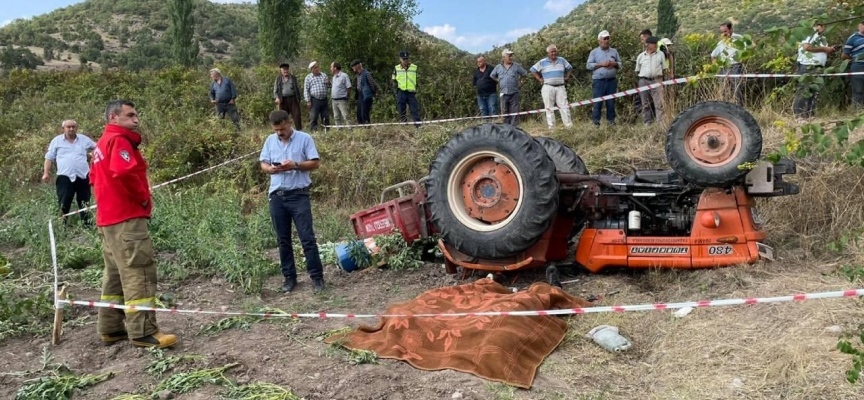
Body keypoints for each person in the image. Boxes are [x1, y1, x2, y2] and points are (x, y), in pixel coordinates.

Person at [90, 100, 177, 349]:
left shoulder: (101, 143)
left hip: (108, 219)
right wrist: (142, 198)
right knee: (139, 272)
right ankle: (143, 331)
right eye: (130, 115)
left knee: (115, 275)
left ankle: (110, 328)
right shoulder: (119, 141)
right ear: (113, 118)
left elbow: (94, 178)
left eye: (136, 114)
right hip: (126, 218)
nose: (136, 119)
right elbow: (125, 173)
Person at [259, 110, 325, 293]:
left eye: (282, 128)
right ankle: (289, 278)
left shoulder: (305, 138)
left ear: (289, 123)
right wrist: (269, 169)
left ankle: (317, 278)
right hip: (277, 196)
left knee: (307, 238)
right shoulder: (270, 141)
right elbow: (263, 163)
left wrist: (295, 165)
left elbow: (315, 163)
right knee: (283, 240)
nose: (279, 132)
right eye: (276, 130)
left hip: (299, 195)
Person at [43, 119, 96, 226]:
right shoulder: (56, 141)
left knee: (84, 202)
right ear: (63, 129)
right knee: (64, 203)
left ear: (76, 128)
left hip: (83, 176)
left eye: (73, 126)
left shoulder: (83, 139)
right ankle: (62, 227)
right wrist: (46, 173)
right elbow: (49, 158)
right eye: (68, 127)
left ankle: (87, 226)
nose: (71, 129)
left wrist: (91, 155)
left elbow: (99, 147)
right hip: (65, 177)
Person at [794, 22, 835, 121]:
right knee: (804, 89)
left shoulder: (823, 39)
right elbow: (807, 47)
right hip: (807, 65)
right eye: (820, 25)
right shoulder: (808, 34)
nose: (822, 28)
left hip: (818, 66)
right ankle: (798, 114)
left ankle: (810, 114)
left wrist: (829, 50)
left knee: (814, 90)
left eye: (823, 26)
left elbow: (821, 51)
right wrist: (824, 49)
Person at [531, 44, 574, 129]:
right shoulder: (542, 62)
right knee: (549, 108)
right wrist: (539, 79)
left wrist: (567, 76)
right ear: (548, 53)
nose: (554, 53)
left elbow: (570, 68)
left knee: (564, 106)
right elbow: (533, 70)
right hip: (548, 87)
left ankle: (569, 127)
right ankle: (552, 128)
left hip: (560, 87)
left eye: (555, 51)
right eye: (552, 52)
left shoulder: (562, 60)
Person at [586, 31, 621, 126]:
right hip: (599, 82)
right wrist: (602, 64)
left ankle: (611, 123)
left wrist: (614, 64)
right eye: (604, 39)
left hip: (611, 81)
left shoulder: (614, 51)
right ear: (599, 41)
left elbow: (620, 64)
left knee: (611, 103)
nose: (606, 41)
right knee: (597, 103)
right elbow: (588, 65)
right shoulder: (594, 52)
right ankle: (596, 123)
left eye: (608, 38)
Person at [490, 49, 528, 127]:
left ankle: (514, 130)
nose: (511, 57)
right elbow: (492, 75)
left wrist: (520, 84)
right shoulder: (498, 67)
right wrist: (499, 81)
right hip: (503, 93)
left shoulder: (516, 66)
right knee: (504, 113)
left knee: (514, 113)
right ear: (504, 57)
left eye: (511, 56)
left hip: (514, 93)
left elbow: (524, 74)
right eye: (509, 56)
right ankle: (506, 129)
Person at [711, 22, 747, 105]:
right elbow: (713, 55)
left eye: (725, 31)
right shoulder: (721, 43)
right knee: (723, 90)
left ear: (731, 29)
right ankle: (725, 109)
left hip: (736, 66)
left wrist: (743, 59)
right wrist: (716, 67)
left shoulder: (738, 38)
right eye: (722, 32)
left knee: (737, 90)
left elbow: (751, 46)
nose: (723, 34)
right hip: (723, 68)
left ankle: (739, 109)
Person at [635, 36, 667, 125]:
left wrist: (661, 80)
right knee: (645, 103)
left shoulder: (660, 54)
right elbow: (638, 70)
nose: (656, 45)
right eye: (654, 44)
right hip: (643, 81)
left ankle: (660, 122)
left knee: (659, 102)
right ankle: (647, 122)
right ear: (648, 45)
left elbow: (664, 68)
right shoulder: (641, 56)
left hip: (657, 80)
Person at [392, 51, 421, 127]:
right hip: (401, 91)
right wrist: (396, 91)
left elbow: (418, 79)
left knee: (414, 109)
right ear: (400, 59)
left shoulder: (414, 67)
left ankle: (418, 126)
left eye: (406, 59)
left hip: (411, 92)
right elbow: (393, 79)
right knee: (401, 110)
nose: (405, 60)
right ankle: (404, 126)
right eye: (403, 59)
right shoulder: (396, 68)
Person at [273, 63, 303, 129]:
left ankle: (299, 131)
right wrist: (277, 97)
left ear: (288, 70)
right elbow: (275, 90)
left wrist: (299, 98)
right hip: (282, 100)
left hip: (293, 99)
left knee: (297, 115)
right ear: (281, 71)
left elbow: (298, 88)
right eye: (284, 70)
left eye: (286, 69)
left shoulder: (293, 78)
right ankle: (283, 129)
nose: (285, 71)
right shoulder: (278, 79)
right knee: (282, 117)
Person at [842, 21, 864, 109]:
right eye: (863, 25)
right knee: (858, 90)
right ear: (859, 26)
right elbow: (844, 55)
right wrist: (854, 59)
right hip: (858, 66)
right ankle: (857, 113)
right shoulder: (853, 38)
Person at [304, 61, 331, 131]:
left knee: (325, 116)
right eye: (315, 68)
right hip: (315, 100)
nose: (317, 69)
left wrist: (329, 83)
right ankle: (313, 131)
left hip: (324, 99)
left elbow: (329, 86)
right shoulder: (308, 77)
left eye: (317, 67)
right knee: (314, 117)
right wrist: (308, 101)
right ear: (312, 69)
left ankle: (326, 131)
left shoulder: (324, 75)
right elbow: (306, 90)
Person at [350, 59, 379, 125]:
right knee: (359, 114)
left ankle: (367, 129)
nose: (353, 68)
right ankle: (362, 128)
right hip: (360, 95)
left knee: (364, 113)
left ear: (357, 66)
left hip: (366, 95)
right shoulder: (357, 75)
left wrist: (375, 92)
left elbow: (373, 83)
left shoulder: (366, 73)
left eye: (353, 66)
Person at [330, 62, 352, 127]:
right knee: (336, 116)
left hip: (342, 100)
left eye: (331, 67)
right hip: (334, 100)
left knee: (345, 115)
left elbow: (349, 87)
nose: (330, 68)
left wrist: (347, 96)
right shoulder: (334, 77)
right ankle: (339, 129)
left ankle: (350, 129)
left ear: (335, 68)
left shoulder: (344, 76)